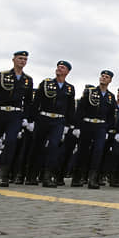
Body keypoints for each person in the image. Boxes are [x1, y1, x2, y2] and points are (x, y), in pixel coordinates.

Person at [0, 51, 34, 187]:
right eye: (20, 58)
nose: (23, 61)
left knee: (10, 143)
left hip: (15, 115)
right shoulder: (2, 76)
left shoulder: (28, 80)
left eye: (25, 59)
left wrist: (26, 118)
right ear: (14, 60)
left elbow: (28, 102)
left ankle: (3, 175)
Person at [26, 60, 76, 188]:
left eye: (62, 67)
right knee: (37, 147)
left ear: (67, 72)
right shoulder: (46, 83)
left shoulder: (70, 88)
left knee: (54, 147)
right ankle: (32, 175)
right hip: (43, 118)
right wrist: (31, 120)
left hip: (59, 121)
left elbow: (70, 108)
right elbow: (36, 102)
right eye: (58, 66)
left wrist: (69, 125)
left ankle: (47, 177)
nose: (59, 68)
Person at [73, 70, 116, 189]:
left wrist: (109, 130)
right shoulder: (90, 92)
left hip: (101, 127)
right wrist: (77, 126)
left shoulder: (110, 97)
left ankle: (93, 179)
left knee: (98, 152)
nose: (103, 78)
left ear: (110, 80)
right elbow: (81, 109)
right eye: (102, 76)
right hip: (87, 124)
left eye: (106, 77)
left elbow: (111, 116)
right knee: (83, 151)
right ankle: (77, 177)